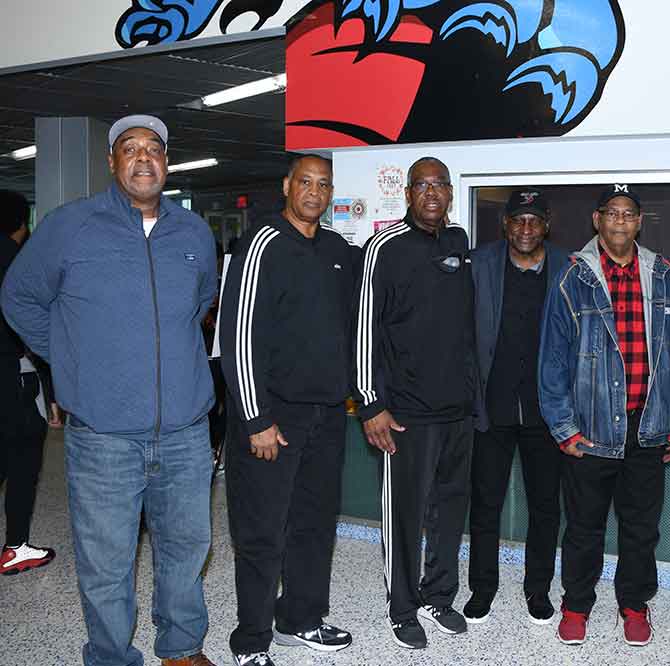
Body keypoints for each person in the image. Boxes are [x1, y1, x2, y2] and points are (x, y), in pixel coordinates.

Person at [1, 115, 218, 666]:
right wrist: (74, 358)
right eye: (130, 149)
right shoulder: (69, 226)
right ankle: (110, 656)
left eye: (154, 149)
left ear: (166, 162)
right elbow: (19, 298)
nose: (143, 158)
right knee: (105, 561)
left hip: (185, 431)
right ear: (112, 161)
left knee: (186, 549)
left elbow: (199, 306)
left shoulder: (193, 233)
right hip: (102, 437)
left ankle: (182, 647)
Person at [219, 155, 355, 666]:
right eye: (305, 182)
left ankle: (300, 618)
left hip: (326, 417)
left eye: (323, 184)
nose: (314, 192)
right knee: (262, 533)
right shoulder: (261, 243)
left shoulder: (338, 250)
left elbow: (348, 329)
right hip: (272, 418)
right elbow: (236, 337)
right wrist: (256, 418)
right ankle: (251, 642)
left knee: (315, 525)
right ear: (286, 186)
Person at [538, 184, 670, 647]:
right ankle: (576, 606)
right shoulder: (571, 276)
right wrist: (564, 429)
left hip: (647, 428)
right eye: (612, 213)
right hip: (591, 431)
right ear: (597, 220)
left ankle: (634, 606)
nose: (620, 221)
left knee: (641, 530)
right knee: (583, 528)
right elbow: (552, 361)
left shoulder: (664, 276)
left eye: (629, 214)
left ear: (639, 222)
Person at [353, 156, 477, 649]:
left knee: (449, 511)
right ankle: (402, 607)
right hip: (403, 414)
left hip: (457, 412)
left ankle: (438, 595)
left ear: (450, 192)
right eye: (421, 185)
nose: (431, 192)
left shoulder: (459, 242)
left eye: (439, 184)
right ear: (408, 194)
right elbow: (363, 329)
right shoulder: (383, 247)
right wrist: (370, 403)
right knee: (404, 516)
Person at [463, 189, 569, 625]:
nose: (526, 229)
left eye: (534, 221)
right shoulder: (478, 265)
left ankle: (538, 589)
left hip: (546, 412)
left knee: (546, 507)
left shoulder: (569, 267)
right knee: (484, 503)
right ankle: (482, 588)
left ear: (547, 224)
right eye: (517, 221)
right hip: (491, 408)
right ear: (505, 224)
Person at [0, 189, 55, 576]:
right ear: (23, 223)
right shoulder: (18, 262)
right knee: (22, 457)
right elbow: (38, 327)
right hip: (9, 373)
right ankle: (15, 547)